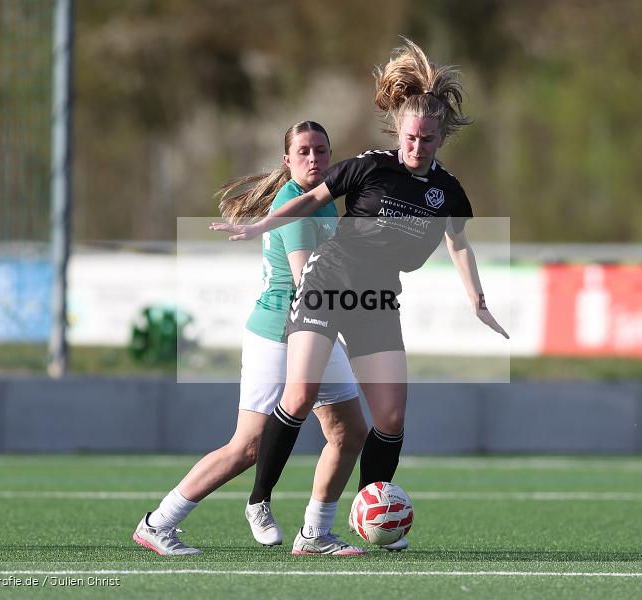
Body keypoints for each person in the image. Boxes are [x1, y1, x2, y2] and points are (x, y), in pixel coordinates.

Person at [211, 38, 509, 553]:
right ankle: (259, 498)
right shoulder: (370, 166)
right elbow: (309, 199)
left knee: (390, 417)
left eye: (429, 140)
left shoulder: (448, 192)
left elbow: (457, 242)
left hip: (376, 298)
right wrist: (261, 225)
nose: (418, 148)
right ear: (399, 130)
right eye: (412, 137)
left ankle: (353, 515)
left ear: (441, 139)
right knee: (299, 397)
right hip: (329, 283)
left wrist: (478, 301)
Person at [134, 121, 368, 556]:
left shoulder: (323, 201)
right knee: (248, 446)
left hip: (317, 329)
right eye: (304, 152)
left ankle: (315, 534)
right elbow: (307, 280)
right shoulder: (295, 203)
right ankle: (158, 523)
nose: (314, 158)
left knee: (350, 431)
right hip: (280, 334)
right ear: (287, 160)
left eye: (321, 150)